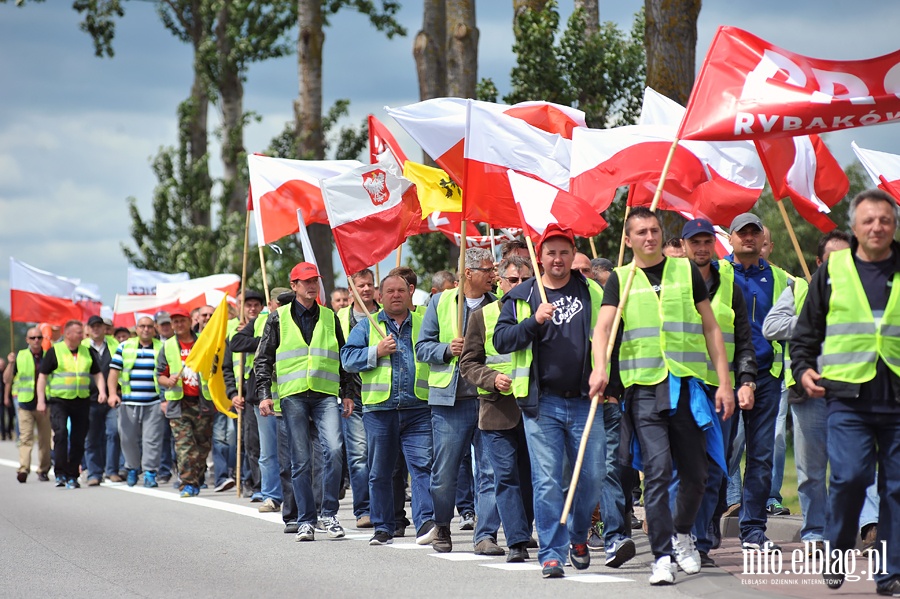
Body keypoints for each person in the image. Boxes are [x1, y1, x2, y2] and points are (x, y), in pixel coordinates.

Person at [590, 207, 734, 585]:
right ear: (629, 239)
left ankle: (682, 532)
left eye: (654, 230)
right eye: (641, 232)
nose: (650, 237)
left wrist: (724, 382)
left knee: (697, 474)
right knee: (656, 472)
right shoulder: (621, 279)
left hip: (686, 385)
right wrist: (600, 368)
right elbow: (602, 330)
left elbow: (711, 328)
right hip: (643, 390)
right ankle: (661, 556)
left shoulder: (685, 271)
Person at [791, 189, 900, 595]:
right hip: (846, 398)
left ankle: (888, 571)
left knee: (896, 487)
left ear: (894, 226)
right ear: (854, 227)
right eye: (868, 220)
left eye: (885, 220)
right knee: (851, 478)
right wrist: (802, 369)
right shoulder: (833, 270)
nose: (877, 227)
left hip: (897, 398)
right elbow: (805, 333)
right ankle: (836, 550)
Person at [493, 225, 608, 579]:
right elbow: (501, 340)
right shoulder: (523, 295)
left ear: (573, 256)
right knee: (546, 481)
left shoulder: (591, 290)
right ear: (538, 257)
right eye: (550, 253)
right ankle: (552, 553)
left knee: (591, 477)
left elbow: (611, 334)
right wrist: (532, 321)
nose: (557, 259)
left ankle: (577, 537)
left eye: (563, 252)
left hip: (587, 402)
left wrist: (608, 380)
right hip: (542, 405)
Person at [763, 230, 850, 553]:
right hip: (807, 394)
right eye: (832, 260)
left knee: (854, 468)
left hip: (854, 392)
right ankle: (815, 530)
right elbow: (771, 327)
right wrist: (812, 319)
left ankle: (861, 528)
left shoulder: (867, 292)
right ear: (818, 263)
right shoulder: (798, 288)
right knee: (811, 470)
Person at [255, 262, 354, 542]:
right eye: (306, 281)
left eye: (316, 281)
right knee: (300, 460)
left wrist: (347, 392)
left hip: (325, 394)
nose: (312, 285)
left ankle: (329, 514)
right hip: (293, 395)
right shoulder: (277, 318)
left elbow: (342, 357)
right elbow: (263, 359)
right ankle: (305, 520)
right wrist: (265, 394)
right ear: (294, 285)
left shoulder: (329, 316)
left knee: (334, 451)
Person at [680, 218, 757, 567]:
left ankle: (702, 541)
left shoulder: (731, 285)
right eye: (694, 242)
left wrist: (746, 381)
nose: (701, 248)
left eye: (706, 242)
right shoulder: (670, 283)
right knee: (686, 469)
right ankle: (680, 536)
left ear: (715, 245)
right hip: (681, 388)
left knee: (715, 468)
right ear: (683, 247)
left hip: (720, 393)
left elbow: (744, 342)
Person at [416, 247, 502, 555]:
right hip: (450, 402)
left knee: (490, 471)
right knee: (445, 472)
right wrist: (445, 349)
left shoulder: (500, 305)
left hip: (489, 399)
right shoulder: (440, 302)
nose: (495, 275)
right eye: (489, 270)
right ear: (469, 273)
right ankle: (442, 526)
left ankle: (486, 535)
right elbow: (421, 348)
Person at [341, 274, 437, 546]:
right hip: (379, 410)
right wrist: (376, 351)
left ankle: (426, 523)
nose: (396, 295)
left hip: (418, 408)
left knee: (422, 467)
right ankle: (383, 527)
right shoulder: (369, 325)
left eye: (401, 290)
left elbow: (435, 351)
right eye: (390, 291)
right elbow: (347, 359)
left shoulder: (423, 322)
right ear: (379, 297)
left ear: (410, 293)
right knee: (380, 471)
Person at [723, 212, 793, 552]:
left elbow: (805, 319)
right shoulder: (716, 273)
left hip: (766, 377)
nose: (748, 238)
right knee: (718, 454)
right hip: (723, 377)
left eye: (754, 232)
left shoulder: (782, 279)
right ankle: (705, 531)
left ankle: (752, 531)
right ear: (731, 238)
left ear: (762, 238)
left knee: (761, 456)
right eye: (742, 232)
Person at [459, 255, 535, 563]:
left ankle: (525, 529)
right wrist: (491, 379)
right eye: (512, 280)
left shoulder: (541, 312)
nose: (518, 286)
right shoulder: (483, 316)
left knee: (532, 478)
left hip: (534, 408)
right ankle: (516, 540)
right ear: (500, 282)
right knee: (505, 477)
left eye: (524, 280)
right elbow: (468, 363)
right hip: (496, 410)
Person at [228, 288, 291, 514]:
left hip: (293, 393)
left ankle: (295, 496)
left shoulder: (299, 319)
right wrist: (265, 340)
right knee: (268, 451)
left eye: (288, 302)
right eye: (279, 303)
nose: (283, 306)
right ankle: (272, 495)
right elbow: (236, 342)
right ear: (271, 304)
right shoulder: (259, 321)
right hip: (264, 396)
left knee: (295, 451)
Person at [36, 320, 106, 489]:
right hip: (59, 400)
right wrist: (40, 400)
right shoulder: (55, 351)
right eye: (79, 333)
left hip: (82, 400)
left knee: (78, 438)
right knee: (60, 435)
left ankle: (72, 474)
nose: (83, 335)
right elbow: (43, 377)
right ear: (68, 334)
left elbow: (97, 374)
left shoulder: (87, 351)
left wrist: (102, 392)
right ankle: (60, 473)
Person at [336, 269, 378, 530]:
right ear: (350, 290)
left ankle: (387, 508)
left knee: (382, 456)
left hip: (381, 395)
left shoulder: (384, 315)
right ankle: (363, 509)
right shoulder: (338, 317)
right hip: (353, 397)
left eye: (369, 285)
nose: (365, 290)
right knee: (359, 456)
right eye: (360, 286)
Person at [157, 308, 213, 498]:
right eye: (175, 322)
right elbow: (159, 376)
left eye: (182, 321)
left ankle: (197, 477)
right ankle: (187, 483)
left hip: (202, 402)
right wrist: (168, 380)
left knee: (202, 447)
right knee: (184, 447)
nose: (178, 325)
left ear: (190, 322)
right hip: (179, 404)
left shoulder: (202, 343)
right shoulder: (168, 346)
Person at [108, 316, 165, 487]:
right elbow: (113, 373)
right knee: (127, 438)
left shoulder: (162, 347)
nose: (146, 329)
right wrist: (112, 394)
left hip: (153, 402)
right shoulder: (124, 346)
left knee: (152, 439)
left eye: (149, 326)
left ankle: (150, 473)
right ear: (137, 329)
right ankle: (132, 468)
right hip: (128, 402)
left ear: (154, 329)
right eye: (142, 326)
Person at [4, 328, 51, 482]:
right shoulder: (20, 356)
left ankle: (43, 469)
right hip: (26, 403)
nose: (36, 340)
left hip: (44, 403)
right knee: (25, 438)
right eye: (33, 338)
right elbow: (7, 379)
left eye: (39, 337)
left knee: (45, 439)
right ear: (27, 340)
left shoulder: (49, 355)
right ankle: (23, 468)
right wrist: (10, 364)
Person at [83, 314, 122, 485]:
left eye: (99, 326)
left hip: (113, 397)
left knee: (113, 433)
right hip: (89, 399)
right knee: (91, 437)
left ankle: (111, 470)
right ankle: (94, 473)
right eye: (93, 326)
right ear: (88, 329)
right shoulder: (82, 346)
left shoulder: (114, 344)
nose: (96, 329)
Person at [154, 310, 176, 485]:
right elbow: (160, 373)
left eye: (169, 323)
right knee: (163, 436)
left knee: (178, 436)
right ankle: (163, 470)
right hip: (159, 397)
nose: (166, 327)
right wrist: (163, 399)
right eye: (163, 324)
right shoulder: (156, 344)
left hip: (177, 396)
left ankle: (179, 469)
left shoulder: (177, 343)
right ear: (157, 327)